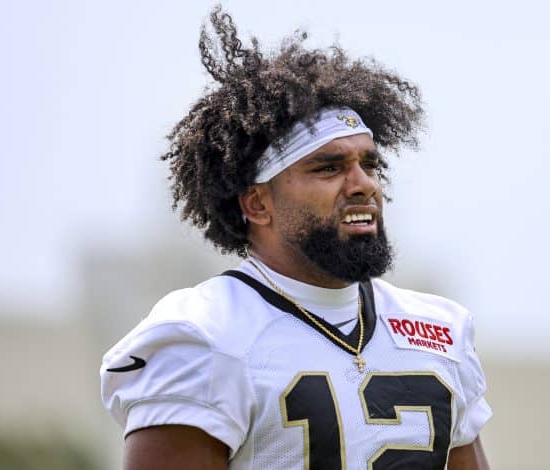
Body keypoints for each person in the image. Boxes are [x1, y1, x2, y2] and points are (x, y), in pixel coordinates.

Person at [100, 5, 492, 469]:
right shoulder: (203, 335)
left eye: (369, 164)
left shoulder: (440, 331)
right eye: (328, 167)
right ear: (257, 204)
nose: (363, 183)